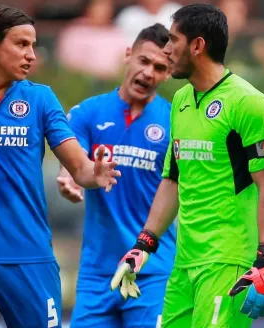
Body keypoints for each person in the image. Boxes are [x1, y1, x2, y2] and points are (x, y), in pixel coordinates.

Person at [0, 4, 120, 328]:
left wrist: (94, 174)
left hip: (30, 261)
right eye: (22, 44)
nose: (32, 55)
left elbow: (79, 167)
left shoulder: (41, 99)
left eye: (34, 45)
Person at [111, 4, 264, 327]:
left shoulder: (248, 102)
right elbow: (173, 179)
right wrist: (143, 244)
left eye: (173, 39)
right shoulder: (181, 100)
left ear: (197, 45)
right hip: (184, 262)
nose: (166, 49)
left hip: (228, 263)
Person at [57, 23, 176, 328]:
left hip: (153, 270)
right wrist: (71, 177)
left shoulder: (175, 121)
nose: (149, 72)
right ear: (128, 55)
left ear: (168, 73)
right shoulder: (88, 112)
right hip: (98, 272)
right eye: (144, 61)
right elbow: (74, 161)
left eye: (160, 67)